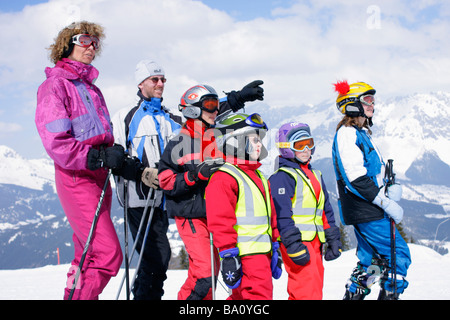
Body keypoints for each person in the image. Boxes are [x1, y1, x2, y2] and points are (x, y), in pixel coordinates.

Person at [35, 21, 126, 300]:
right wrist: (96, 157)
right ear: (67, 43)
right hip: (77, 176)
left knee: (85, 254)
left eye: (95, 43)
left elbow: (100, 133)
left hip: (99, 175)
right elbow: (56, 141)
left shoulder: (91, 89)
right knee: (107, 253)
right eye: (85, 40)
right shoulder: (55, 86)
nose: (91, 47)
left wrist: (113, 152)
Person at [158, 82, 264, 300]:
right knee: (205, 273)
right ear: (192, 109)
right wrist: (194, 175)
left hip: (214, 214)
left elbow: (223, 112)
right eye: (209, 104)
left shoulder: (216, 133)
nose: (215, 109)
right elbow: (165, 181)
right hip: (191, 214)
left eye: (216, 104)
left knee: (213, 273)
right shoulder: (180, 142)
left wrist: (239, 98)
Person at [332, 80, 411, 300]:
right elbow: (355, 178)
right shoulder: (347, 133)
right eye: (367, 100)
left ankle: (355, 294)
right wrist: (384, 202)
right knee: (398, 256)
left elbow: (369, 174)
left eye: (373, 101)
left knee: (372, 260)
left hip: (366, 208)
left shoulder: (360, 132)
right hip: (366, 210)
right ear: (352, 104)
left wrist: (388, 188)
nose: (372, 105)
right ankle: (390, 293)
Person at [111, 60, 182, 299]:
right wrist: (141, 172)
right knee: (157, 258)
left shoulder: (169, 116)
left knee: (154, 262)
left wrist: (233, 101)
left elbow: (201, 118)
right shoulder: (126, 117)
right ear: (141, 83)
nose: (161, 83)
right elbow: (116, 158)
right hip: (139, 200)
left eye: (163, 79)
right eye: (155, 79)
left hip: (164, 200)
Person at [205, 113, 281, 300]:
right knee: (258, 298)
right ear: (235, 142)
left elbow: (270, 216)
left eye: (259, 140)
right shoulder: (224, 177)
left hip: (262, 253)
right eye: (254, 139)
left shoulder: (260, 176)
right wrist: (228, 255)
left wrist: (275, 245)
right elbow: (220, 221)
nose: (259, 145)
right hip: (245, 255)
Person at [269, 122, 342, 300]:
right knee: (305, 289)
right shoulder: (283, 177)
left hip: (315, 243)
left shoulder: (315, 174)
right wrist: (292, 243)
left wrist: (332, 236)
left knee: (314, 287)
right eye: (300, 145)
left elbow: (325, 209)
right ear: (287, 148)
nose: (307, 149)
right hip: (297, 243)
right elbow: (281, 214)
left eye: (309, 143)